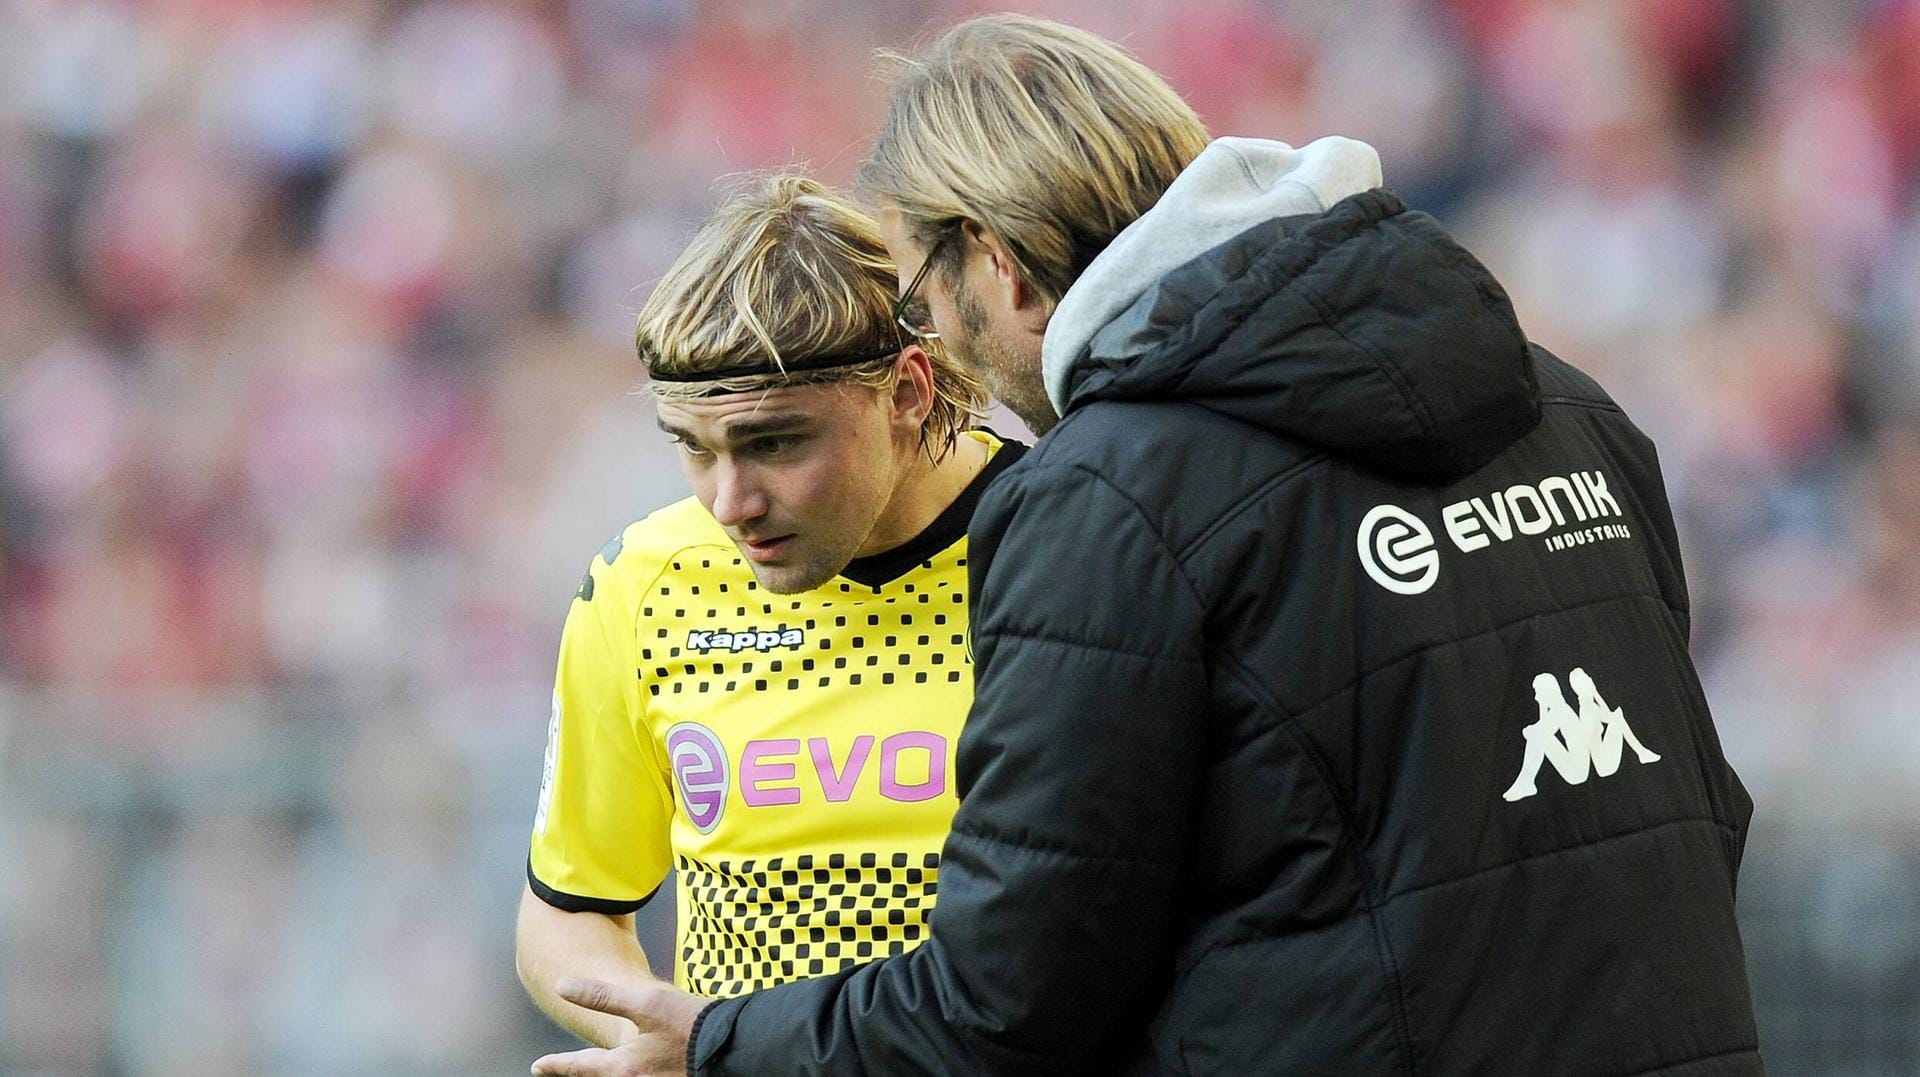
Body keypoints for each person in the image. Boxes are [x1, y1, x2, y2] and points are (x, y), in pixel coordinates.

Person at [539, 16, 1761, 1077]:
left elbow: (1008, 1004)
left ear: (1000, 265)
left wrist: (718, 1048)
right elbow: (1693, 809)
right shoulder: (1574, 412)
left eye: (925, 290)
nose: (939, 341)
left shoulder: (1110, 499)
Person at [516, 175, 1020, 1062]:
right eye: (694, 448)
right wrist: (665, 1037)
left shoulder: (1056, 541)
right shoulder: (645, 582)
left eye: (775, 442)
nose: (730, 501)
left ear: (905, 391)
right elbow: (569, 909)